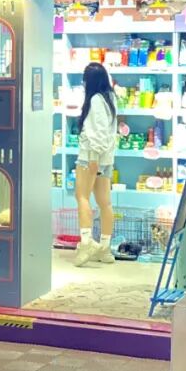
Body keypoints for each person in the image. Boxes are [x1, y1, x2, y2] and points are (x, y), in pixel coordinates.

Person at [73, 61, 117, 266]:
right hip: (106, 158)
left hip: (91, 156)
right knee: (104, 202)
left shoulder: (96, 100)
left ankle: (86, 242)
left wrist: (93, 158)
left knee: (82, 196)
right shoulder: (110, 98)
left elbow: (97, 132)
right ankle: (105, 248)